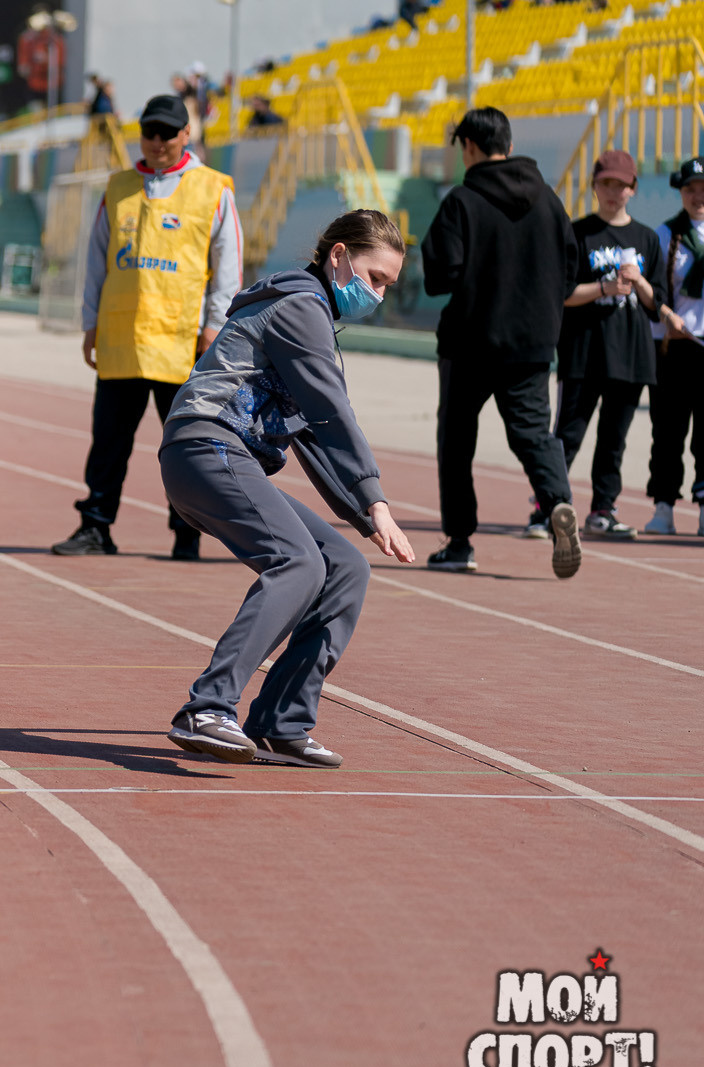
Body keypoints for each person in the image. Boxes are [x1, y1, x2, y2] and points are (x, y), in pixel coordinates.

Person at [158, 211, 417, 770]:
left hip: (224, 456)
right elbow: (332, 412)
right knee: (297, 563)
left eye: (389, 286)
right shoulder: (301, 307)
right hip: (205, 447)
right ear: (339, 256)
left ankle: (281, 721)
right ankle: (207, 708)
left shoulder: (312, 312)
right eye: (375, 278)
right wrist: (376, 500)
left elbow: (314, 436)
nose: (378, 294)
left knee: (345, 566)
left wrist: (365, 516)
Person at [54, 92, 242, 561]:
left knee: (186, 445)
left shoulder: (214, 188)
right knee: (109, 444)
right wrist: (91, 321)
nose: (156, 142)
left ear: (185, 134)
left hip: (183, 343)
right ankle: (96, 526)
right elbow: (97, 260)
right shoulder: (118, 187)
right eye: (148, 133)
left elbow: (228, 269)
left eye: (166, 133)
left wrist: (215, 326)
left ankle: (187, 533)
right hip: (121, 339)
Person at [421, 107, 578, 575]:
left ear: (469, 146)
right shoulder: (549, 200)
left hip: (470, 343)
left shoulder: (462, 200)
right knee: (533, 435)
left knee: (456, 441)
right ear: (507, 143)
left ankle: (460, 542)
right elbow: (570, 274)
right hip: (532, 344)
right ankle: (557, 504)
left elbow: (439, 275)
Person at [553, 151, 660, 541]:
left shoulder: (647, 237)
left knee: (614, 439)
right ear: (595, 186)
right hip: (583, 352)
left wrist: (642, 284)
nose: (613, 192)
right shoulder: (577, 233)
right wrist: (604, 287)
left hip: (631, 356)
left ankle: (603, 509)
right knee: (568, 435)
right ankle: (548, 505)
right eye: (606, 184)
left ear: (633, 189)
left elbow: (657, 305)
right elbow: (562, 294)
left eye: (621, 185)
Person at [643, 159, 704, 535]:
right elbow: (656, 290)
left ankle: (703, 507)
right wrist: (667, 316)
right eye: (690, 189)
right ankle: (664, 505)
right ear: (680, 193)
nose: (698, 196)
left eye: (703, 188)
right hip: (672, 346)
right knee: (667, 430)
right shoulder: (666, 235)